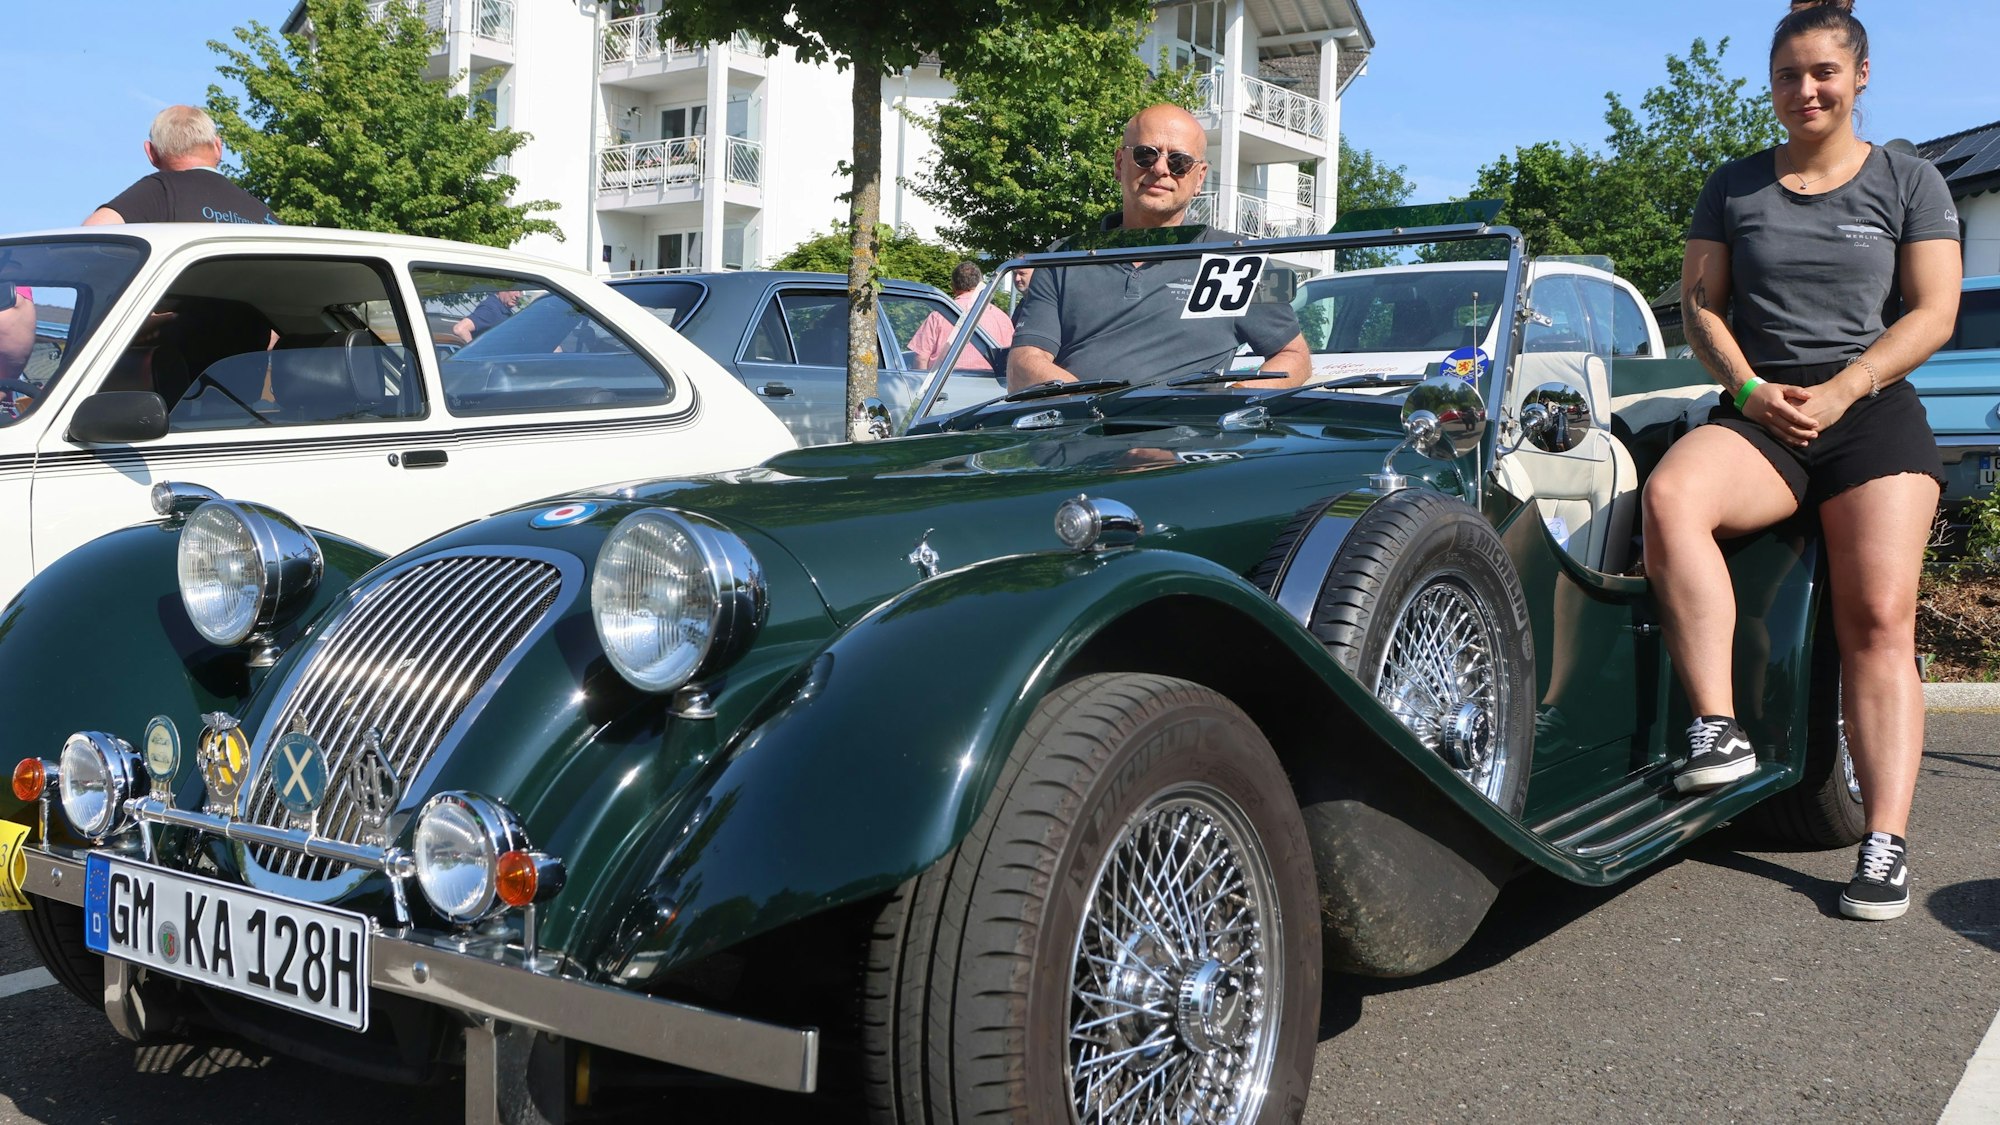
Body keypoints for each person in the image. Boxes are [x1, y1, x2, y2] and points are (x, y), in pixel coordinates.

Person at [1641, 0, 1960, 921]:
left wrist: (1847, 388)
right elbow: (1701, 306)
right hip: (1763, 409)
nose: (1806, 89)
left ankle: (1885, 842)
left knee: (1877, 620)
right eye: (1789, 74)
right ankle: (1720, 727)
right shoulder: (1734, 184)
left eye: (1824, 71)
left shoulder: (1909, 178)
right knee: (1672, 497)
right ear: (1771, 85)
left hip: (1869, 415)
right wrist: (1747, 392)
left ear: (1860, 75)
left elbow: (1933, 312)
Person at [1007, 104, 1310, 392]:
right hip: (1080, 437)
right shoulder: (1063, 256)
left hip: (1185, 437)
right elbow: (1023, 365)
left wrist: (1231, 400)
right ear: (1119, 163)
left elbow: (1295, 357)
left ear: (1199, 178)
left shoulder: (1237, 257)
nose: (1161, 168)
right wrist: (1104, 413)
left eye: (1179, 161)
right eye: (1145, 155)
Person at [83, 106, 277, 226]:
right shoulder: (265, 216)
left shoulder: (160, 193)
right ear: (218, 147)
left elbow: (92, 234)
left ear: (152, 153)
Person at [907, 260, 1015, 371]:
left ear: (953, 286)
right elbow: (1012, 359)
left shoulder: (939, 315)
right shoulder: (1002, 318)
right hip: (990, 383)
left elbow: (921, 359)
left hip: (944, 383)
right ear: (981, 284)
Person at [453, 290, 522, 344]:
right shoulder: (491, 309)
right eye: (514, 290)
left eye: (520, 291)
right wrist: (474, 355)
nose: (518, 295)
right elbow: (460, 329)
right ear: (501, 290)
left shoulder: (503, 310)